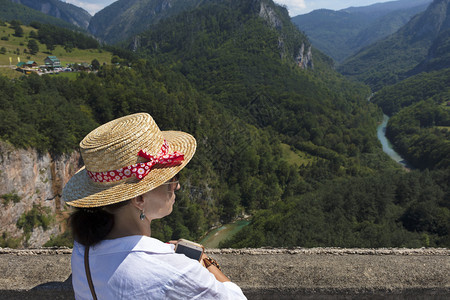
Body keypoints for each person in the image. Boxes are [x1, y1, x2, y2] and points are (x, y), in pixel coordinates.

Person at [62, 113, 247, 299]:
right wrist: (205, 262)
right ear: (140, 199)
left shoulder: (82, 249)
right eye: (172, 179)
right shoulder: (177, 272)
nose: (178, 185)